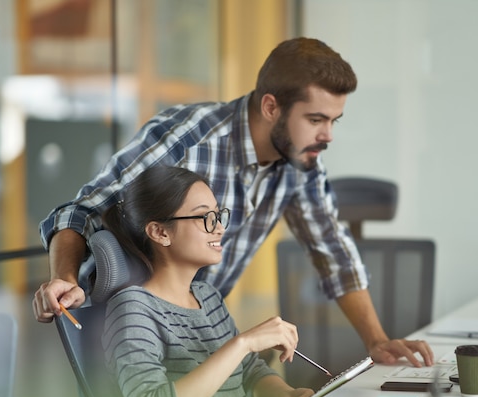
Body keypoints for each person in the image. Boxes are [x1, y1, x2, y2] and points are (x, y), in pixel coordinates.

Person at [33, 37, 434, 368]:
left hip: (200, 325)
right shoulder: (189, 140)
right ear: (271, 107)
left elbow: (335, 255)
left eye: (334, 121)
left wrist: (377, 341)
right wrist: (65, 278)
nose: (327, 136)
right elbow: (80, 211)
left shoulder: (302, 164)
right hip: (125, 331)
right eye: (315, 120)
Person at [101, 165, 313, 397]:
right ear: (160, 232)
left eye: (217, 215)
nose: (220, 229)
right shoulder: (132, 309)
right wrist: (242, 343)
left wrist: (286, 396)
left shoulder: (207, 296)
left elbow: (247, 372)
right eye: (205, 218)